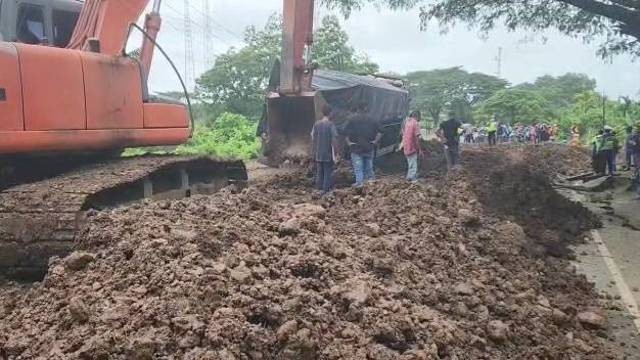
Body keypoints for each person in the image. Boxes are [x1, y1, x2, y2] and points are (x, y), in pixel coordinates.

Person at [345, 105, 383, 187]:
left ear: (358, 110)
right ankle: (370, 185)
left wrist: (348, 142)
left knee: (358, 169)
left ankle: (360, 184)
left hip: (356, 149)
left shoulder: (352, 120)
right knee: (369, 168)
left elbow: (345, 132)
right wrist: (375, 141)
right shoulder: (373, 120)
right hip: (369, 148)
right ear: (368, 110)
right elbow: (380, 132)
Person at [311, 105, 339, 194]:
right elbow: (334, 139)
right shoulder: (331, 124)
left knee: (320, 172)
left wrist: (314, 150)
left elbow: (312, 137)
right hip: (328, 153)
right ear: (330, 113)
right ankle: (325, 191)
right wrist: (336, 153)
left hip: (318, 153)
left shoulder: (316, 124)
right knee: (328, 172)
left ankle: (318, 189)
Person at [402, 111, 423, 182]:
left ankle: (409, 178)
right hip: (412, 147)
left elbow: (403, 133)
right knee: (413, 166)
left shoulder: (407, 122)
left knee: (410, 164)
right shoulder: (415, 123)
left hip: (406, 146)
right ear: (417, 116)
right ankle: (412, 181)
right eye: (420, 116)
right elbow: (418, 138)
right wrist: (419, 149)